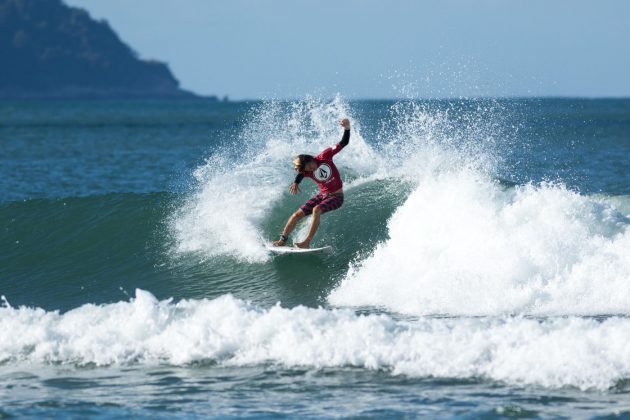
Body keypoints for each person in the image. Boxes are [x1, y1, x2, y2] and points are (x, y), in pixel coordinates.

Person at [273, 118, 351, 248]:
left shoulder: (325, 156)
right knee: (296, 215)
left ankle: (306, 242)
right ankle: (282, 240)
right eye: (307, 170)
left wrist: (347, 128)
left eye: (309, 167)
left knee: (316, 209)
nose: (311, 170)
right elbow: (301, 174)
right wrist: (296, 182)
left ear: (310, 159)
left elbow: (344, 142)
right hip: (323, 196)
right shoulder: (305, 171)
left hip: (337, 197)